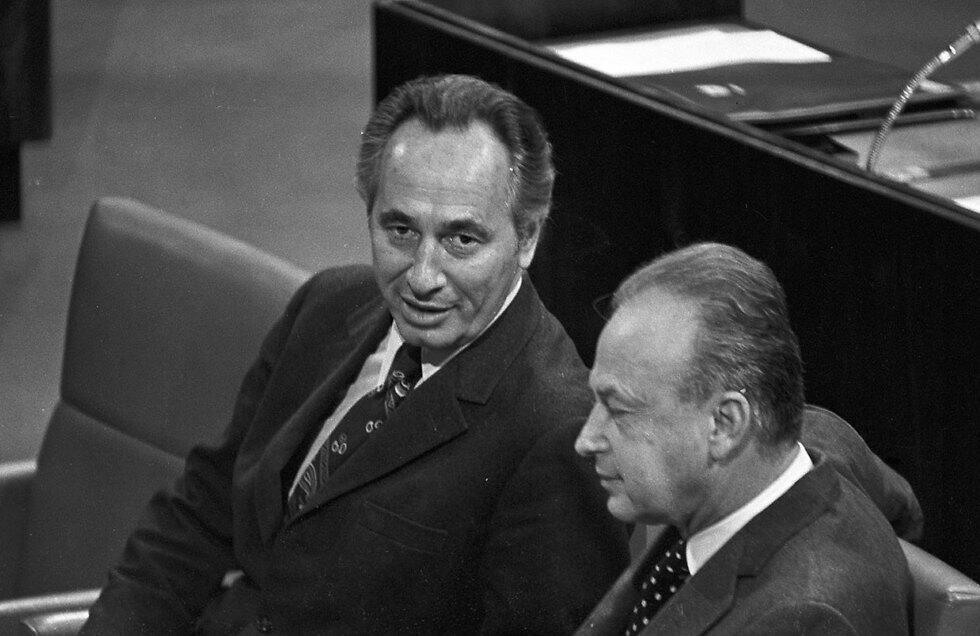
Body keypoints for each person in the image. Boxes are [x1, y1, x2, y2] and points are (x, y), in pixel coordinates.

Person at [82, 74, 629, 634]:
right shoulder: (328, 304)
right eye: (400, 230)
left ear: (529, 237)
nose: (422, 277)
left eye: (461, 240)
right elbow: (200, 513)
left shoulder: (557, 431)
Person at [575, 243, 912, 635]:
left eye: (619, 411)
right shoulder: (807, 447)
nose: (587, 439)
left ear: (724, 424)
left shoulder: (801, 622)